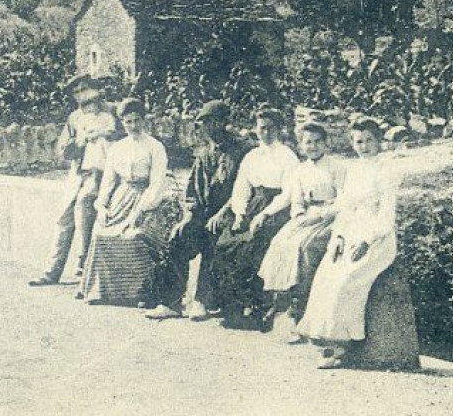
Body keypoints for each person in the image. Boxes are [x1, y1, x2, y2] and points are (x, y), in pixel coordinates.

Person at [300, 116, 420, 370]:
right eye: (358, 141)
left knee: (347, 281)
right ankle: (326, 343)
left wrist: (366, 241)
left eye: (368, 141)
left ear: (378, 142)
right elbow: (344, 207)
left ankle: (342, 345)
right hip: (350, 233)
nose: (363, 146)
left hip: (377, 237)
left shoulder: (386, 170)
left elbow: (387, 216)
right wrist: (340, 238)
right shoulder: (353, 170)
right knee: (326, 275)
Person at [204, 105, 299, 327]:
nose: (265, 133)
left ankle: (258, 308)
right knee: (226, 242)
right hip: (253, 205)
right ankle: (234, 307)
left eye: (270, 128)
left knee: (255, 243)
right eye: (261, 128)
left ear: (278, 130)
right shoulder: (252, 156)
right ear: (255, 129)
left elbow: (288, 193)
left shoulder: (287, 156)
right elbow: (241, 188)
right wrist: (239, 214)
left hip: (276, 208)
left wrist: (265, 214)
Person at [78, 98, 177, 307]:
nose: (133, 126)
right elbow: (109, 181)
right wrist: (102, 205)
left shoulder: (155, 146)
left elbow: (157, 182)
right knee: (100, 232)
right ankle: (103, 290)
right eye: (128, 122)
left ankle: (140, 292)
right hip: (121, 198)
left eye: (136, 120)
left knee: (136, 235)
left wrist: (142, 208)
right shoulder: (117, 148)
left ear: (144, 120)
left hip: (146, 199)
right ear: (122, 123)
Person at [146, 99, 239, 320]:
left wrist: (224, 213)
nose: (208, 129)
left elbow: (243, 190)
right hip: (203, 213)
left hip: (231, 214)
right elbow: (192, 192)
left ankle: (203, 301)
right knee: (179, 236)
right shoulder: (204, 155)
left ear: (224, 123)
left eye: (213, 122)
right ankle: (171, 302)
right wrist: (188, 216)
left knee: (214, 241)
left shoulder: (241, 152)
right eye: (204, 124)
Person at [30, 75, 119, 287]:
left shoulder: (113, 111)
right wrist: (78, 142)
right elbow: (64, 150)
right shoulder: (75, 118)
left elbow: (127, 136)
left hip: (104, 173)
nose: (81, 95)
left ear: (95, 89)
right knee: (64, 219)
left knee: (85, 215)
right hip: (80, 173)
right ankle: (52, 271)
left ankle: (84, 272)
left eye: (84, 89)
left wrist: (106, 134)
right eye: (76, 92)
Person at [255, 119, 342, 330]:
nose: (312, 147)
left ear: (325, 143)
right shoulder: (300, 170)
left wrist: (323, 214)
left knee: (303, 247)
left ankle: (301, 305)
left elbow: (342, 199)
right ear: (301, 146)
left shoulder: (336, 166)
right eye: (308, 142)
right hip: (307, 216)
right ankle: (281, 301)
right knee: (279, 243)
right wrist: (271, 213)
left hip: (331, 216)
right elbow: (293, 199)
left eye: (317, 142)